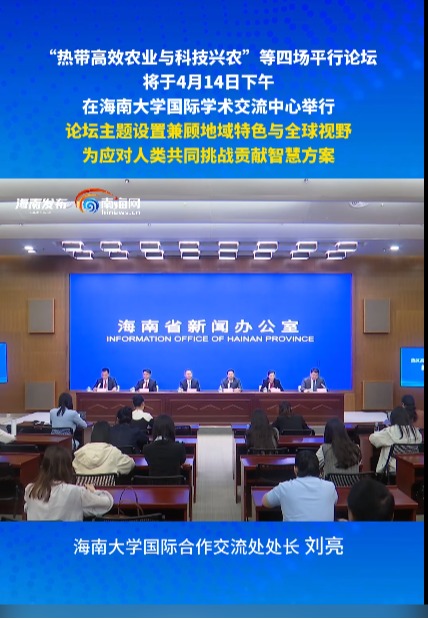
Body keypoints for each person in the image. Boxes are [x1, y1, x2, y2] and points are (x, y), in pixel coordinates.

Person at [24, 445, 113, 521]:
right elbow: (107, 503)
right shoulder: (76, 492)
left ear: (43, 467)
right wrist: (93, 492)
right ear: (68, 468)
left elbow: (27, 509)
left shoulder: (30, 489)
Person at [262, 450, 338, 521]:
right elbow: (334, 501)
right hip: (324, 531)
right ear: (319, 470)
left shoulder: (284, 488)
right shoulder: (330, 487)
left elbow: (265, 502)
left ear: (295, 469)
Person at [369, 406, 422, 475]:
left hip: (393, 471)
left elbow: (372, 438)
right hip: (412, 470)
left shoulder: (391, 431)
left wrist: (385, 429)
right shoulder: (416, 432)